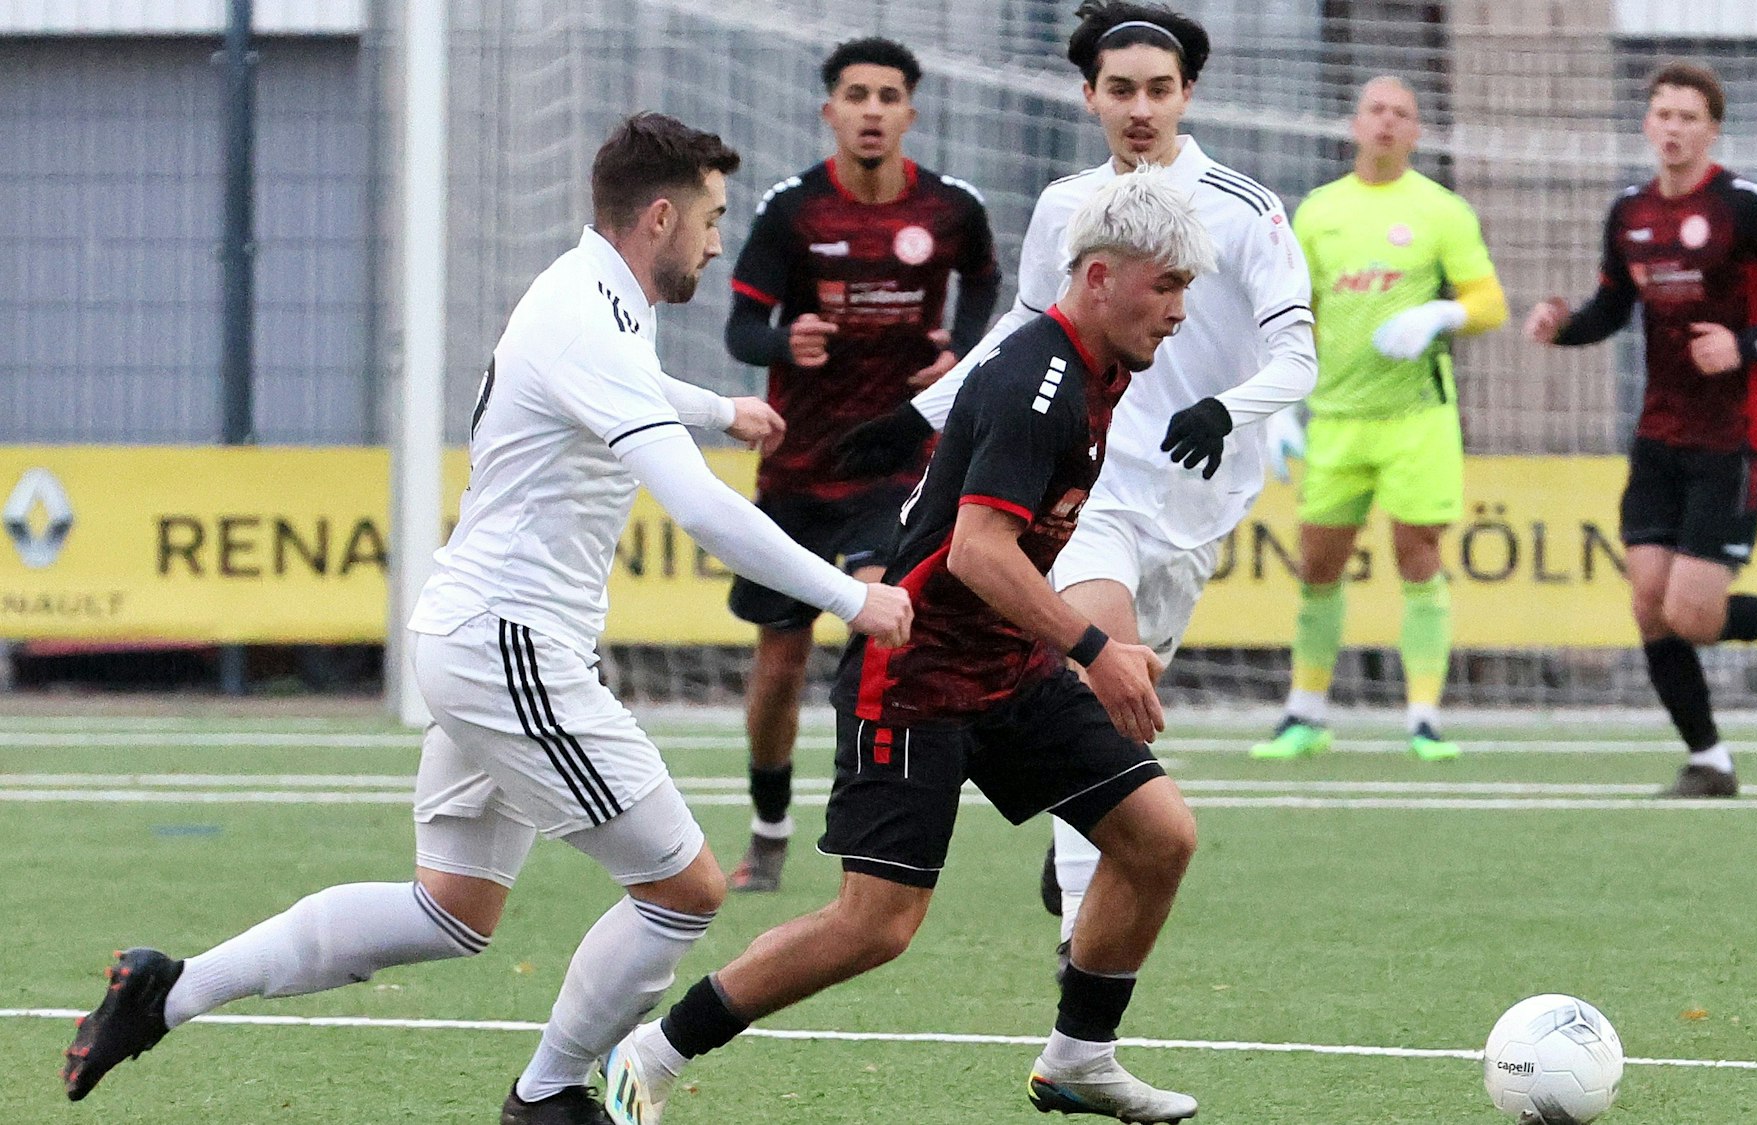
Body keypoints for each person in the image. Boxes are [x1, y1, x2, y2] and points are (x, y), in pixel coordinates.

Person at [60, 113, 913, 1125]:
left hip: (478, 640)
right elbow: (698, 508)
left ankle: (170, 988)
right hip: (511, 646)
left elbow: (607, 384)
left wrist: (714, 409)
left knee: (449, 911)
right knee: (683, 888)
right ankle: (548, 1097)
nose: (717, 241)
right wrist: (849, 595)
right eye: (710, 219)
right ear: (657, 216)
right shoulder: (589, 315)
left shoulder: (590, 298)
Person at [603, 170, 1214, 1125]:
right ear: (1099, 276)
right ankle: (654, 1047)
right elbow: (977, 552)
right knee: (875, 925)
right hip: (916, 679)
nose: (1179, 312)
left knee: (1157, 835)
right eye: (1167, 286)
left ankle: (1079, 1058)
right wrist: (1096, 647)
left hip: (1006, 671)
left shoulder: (1097, 368)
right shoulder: (1038, 381)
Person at [834, 0, 1314, 963]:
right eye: (1121, 90)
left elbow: (1298, 356)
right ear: (1090, 97)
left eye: (1159, 90)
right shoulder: (1069, 207)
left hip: (1194, 505)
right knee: (1091, 671)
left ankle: (1082, 847)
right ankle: (1079, 940)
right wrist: (911, 421)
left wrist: (1228, 409)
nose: (1140, 108)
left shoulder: (1245, 205)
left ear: (1188, 97)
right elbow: (1018, 338)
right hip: (1084, 499)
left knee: (1119, 707)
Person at [1525, 60, 1757, 798]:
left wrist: (1748, 343)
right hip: (1659, 434)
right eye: (1662, 114)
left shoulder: (1744, 205)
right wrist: (1562, 327)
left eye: (1688, 117)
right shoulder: (1630, 214)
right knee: (1648, 602)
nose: (1673, 128)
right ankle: (1710, 758)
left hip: (1733, 436)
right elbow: (1612, 310)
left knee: (1692, 614)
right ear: (1647, 124)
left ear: (1711, 128)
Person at [722, 37, 999, 893]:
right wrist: (783, 339)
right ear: (829, 112)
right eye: (855, 95)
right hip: (798, 473)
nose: (872, 110)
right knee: (780, 663)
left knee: (882, 629)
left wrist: (960, 353)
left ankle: (870, 821)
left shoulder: (952, 209)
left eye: (887, 96)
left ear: (910, 113)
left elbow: (990, 292)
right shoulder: (792, 209)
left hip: (900, 465)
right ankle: (770, 827)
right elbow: (741, 329)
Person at [1252, 75, 1508, 763]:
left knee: (1418, 556)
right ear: (1354, 123)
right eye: (1376, 110)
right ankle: (1305, 713)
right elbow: (1291, 314)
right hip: (1335, 418)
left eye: (1402, 113)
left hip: (1416, 417)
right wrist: (1280, 407)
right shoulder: (1318, 212)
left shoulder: (1441, 210)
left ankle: (1423, 716)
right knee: (1317, 563)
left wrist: (1442, 312)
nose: (1388, 123)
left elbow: (1490, 302)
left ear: (1417, 131)